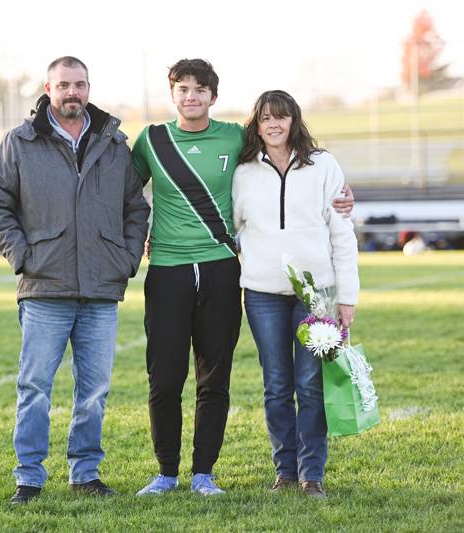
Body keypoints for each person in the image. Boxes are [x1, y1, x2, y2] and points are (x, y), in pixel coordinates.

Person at [131, 59, 354, 496]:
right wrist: (138, 233)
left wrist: (345, 197)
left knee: (220, 378)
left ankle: (207, 473)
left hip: (223, 271)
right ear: (172, 94)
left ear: (214, 96)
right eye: (182, 89)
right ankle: (166, 472)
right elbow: (120, 189)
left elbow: (309, 181)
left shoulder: (236, 139)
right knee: (168, 379)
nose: (191, 96)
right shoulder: (151, 140)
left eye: (200, 89)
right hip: (174, 272)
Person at [0, 56, 150, 504]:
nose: (73, 92)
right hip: (44, 287)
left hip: (100, 289)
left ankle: (85, 473)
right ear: (48, 89)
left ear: (89, 88)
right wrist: (23, 256)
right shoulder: (19, 143)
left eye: (80, 84)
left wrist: (126, 258)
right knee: (34, 387)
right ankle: (29, 478)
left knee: (94, 390)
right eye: (64, 85)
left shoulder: (114, 146)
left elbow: (137, 208)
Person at [232, 90, 360, 499]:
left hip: (315, 296)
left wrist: (347, 296)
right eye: (266, 118)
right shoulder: (243, 171)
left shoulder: (323, 166)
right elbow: (230, 226)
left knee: (310, 385)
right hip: (262, 294)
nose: (274, 124)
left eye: (281, 117)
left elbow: (342, 232)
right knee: (275, 384)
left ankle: (311, 475)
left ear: (294, 121)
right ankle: (284, 471)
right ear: (256, 124)